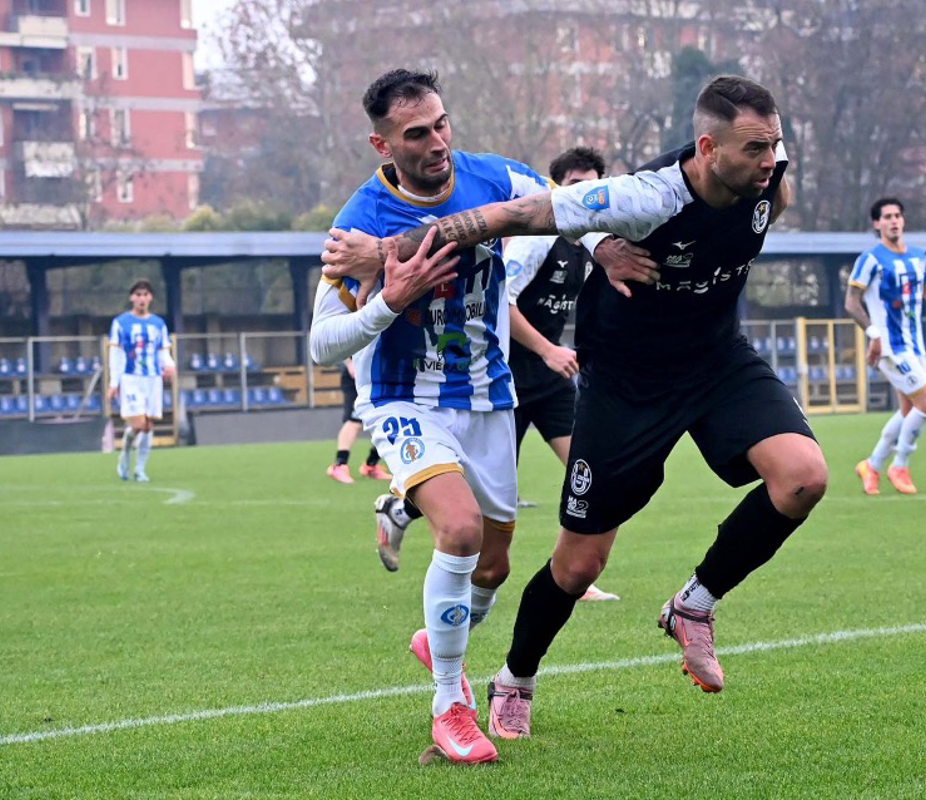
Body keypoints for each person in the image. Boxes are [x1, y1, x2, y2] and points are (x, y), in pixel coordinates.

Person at [323, 74, 828, 742]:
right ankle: (515, 677)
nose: (771, 160)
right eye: (757, 148)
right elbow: (517, 216)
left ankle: (694, 605)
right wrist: (387, 256)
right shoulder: (645, 195)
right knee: (578, 566)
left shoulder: (770, 175)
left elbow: (771, 196)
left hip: (717, 363)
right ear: (708, 148)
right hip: (624, 383)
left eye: (775, 146)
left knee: (804, 476)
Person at [308, 69, 638, 765]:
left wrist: (603, 245)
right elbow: (321, 343)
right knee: (456, 531)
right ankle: (450, 704)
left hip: (489, 397)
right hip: (405, 400)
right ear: (382, 143)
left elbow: (561, 209)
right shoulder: (360, 222)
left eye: (441, 124)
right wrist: (388, 300)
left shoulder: (495, 178)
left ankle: (440, 637)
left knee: (493, 567)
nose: (437, 142)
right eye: (416, 133)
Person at [502, 145, 619, 602]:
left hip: (550, 383)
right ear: (555, 189)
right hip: (503, 378)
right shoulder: (536, 238)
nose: (584, 194)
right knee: (489, 495)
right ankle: (401, 506)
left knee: (587, 472)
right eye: (574, 186)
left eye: (592, 186)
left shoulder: (589, 242)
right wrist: (549, 349)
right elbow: (501, 304)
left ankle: (574, 576)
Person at [844, 197, 926, 495]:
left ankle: (872, 466)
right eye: (887, 216)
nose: (894, 221)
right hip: (890, 348)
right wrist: (874, 334)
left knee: (907, 411)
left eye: (898, 216)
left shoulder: (918, 256)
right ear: (876, 223)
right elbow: (851, 302)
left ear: (903, 221)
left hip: (915, 346)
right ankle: (900, 465)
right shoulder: (871, 259)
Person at [108, 279, 174, 482]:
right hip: (131, 378)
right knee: (139, 423)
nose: (142, 299)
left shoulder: (158, 324)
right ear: (131, 297)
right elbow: (116, 354)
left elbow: (163, 351)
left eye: (145, 294)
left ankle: (140, 469)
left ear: (151, 297)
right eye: (138, 295)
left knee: (148, 426)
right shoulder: (120, 323)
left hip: (153, 379)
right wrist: (113, 382)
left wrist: (170, 364)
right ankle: (124, 457)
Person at [325, 357, 393, 485]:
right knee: (354, 421)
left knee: (388, 419)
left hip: (382, 373)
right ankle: (340, 465)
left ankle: (371, 465)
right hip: (359, 374)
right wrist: (348, 362)